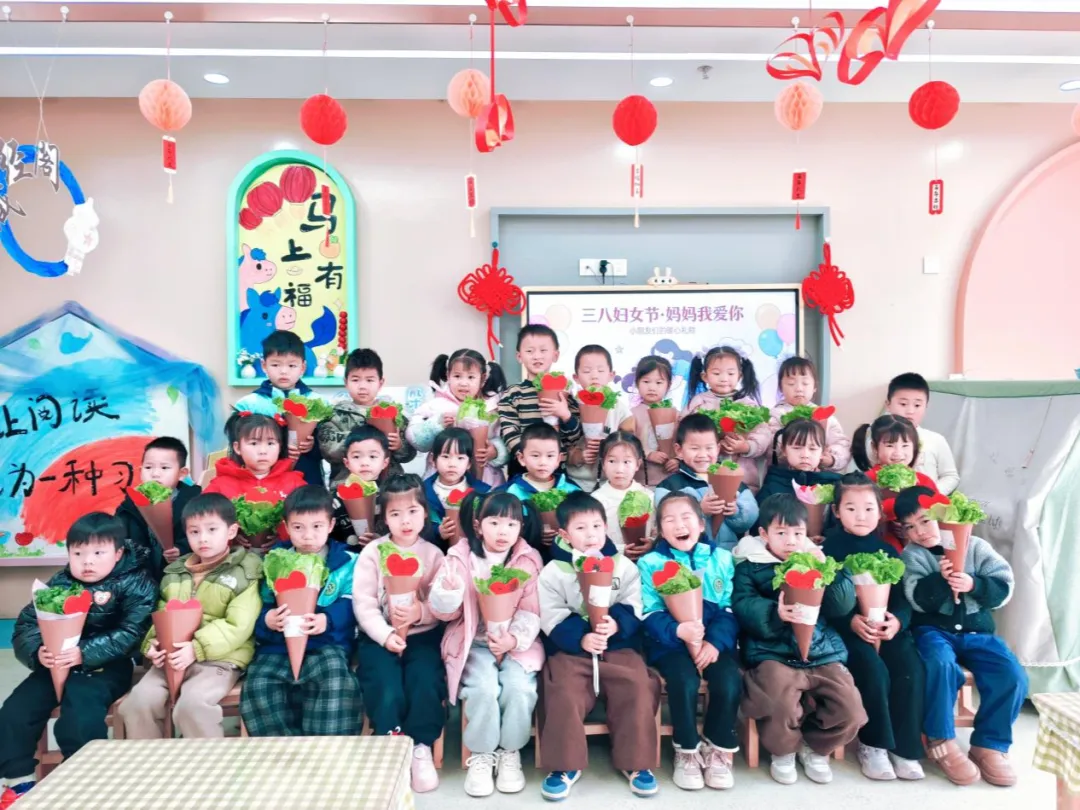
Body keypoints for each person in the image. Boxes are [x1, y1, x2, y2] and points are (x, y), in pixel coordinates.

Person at [0, 514, 155, 804]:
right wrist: (38, 652)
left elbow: (133, 631)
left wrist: (85, 652)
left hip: (106, 667)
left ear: (118, 553)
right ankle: (19, 782)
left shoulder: (137, 582)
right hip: (54, 664)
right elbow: (27, 624)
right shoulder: (60, 582)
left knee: (80, 718)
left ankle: (81, 782)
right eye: (78, 553)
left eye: (98, 553)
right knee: (14, 713)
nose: (87, 562)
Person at [732, 494, 867, 786]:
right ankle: (783, 751)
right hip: (772, 651)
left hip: (821, 650)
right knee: (776, 701)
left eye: (798, 533)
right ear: (764, 534)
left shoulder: (816, 560)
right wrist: (775, 613)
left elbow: (841, 606)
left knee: (851, 707)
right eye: (781, 533)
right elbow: (742, 604)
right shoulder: (749, 565)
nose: (791, 541)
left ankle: (815, 747)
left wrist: (828, 571)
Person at [897, 486, 1026, 788]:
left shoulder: (976, 546)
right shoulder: (913, 555)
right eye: (910, 527)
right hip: (933, 631)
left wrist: (974, 584)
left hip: (978, 632)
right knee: (940, 666)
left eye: (925, 521)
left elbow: (1003, 587)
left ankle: (989, 744)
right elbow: (917, 600)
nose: (919, 532)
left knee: (1011, 674)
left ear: (943, 516)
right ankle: (941, 739)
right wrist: (941, 580)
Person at [536, 492, 659, 801]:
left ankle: (636, 762)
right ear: (564, 534)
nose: (590, 534)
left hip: (617, 646)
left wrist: (616, 624)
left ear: (606, 526)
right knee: (562, 689)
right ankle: (564, 765)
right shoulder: (554, 570)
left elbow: (634, 601)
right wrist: (581, 637)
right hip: (572, 650)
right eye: (580, 528)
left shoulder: (622, 565)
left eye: (596, 526)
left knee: (637, 684)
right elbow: (550, 613)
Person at [118, 493, 263, 739]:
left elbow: (239, 624)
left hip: (219, 660)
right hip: (171, 658)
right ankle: (148, 762)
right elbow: (162, 615)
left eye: (212, 529)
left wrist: (196, 649)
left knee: (192, 707)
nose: (202, 538)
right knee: (137, 703)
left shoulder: (245, 570)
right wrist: (153, 644)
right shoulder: (175, 572)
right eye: (194, 532)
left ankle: (208, 764)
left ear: (231, 531)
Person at [428, 492, 544, 797]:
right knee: (483, 688)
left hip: (517, 643)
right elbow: (444, 613)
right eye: (494, 523)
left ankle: (510, 752)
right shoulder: (459, 557)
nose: (503, 531)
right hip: (472, 642)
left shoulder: (528, 559)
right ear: (478, 526)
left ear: (521, 527)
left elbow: (532, 609)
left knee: (520, 688)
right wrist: (448, 593)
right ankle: (481, 753)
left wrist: (512, 639)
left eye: (511, 524)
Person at [821, 474, 926, 781]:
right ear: (837, 511)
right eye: (851, 508)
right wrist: (850, 621)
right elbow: (823, 601)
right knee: (872, 669)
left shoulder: (889, 551)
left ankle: (905, 748)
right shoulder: (828, 551)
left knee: (910, 667)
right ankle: (873, 744)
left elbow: (902, 599)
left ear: (880, 512)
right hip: (845, 632)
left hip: (885, 628)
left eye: (869, 508)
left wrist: (897, 621)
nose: (861, 516)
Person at [637, 492, 742, 792]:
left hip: (712, 642)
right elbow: (649, 611)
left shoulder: (722, 559)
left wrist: (714, 643)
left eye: (686, 518)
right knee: (683, 681)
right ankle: (686, 750)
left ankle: (718, 745)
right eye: (669, 520)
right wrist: (678, 631)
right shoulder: (650, 563)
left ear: (700, 523)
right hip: (669, 644)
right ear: (659, 530)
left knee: (729, 679)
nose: (679, 525)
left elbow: (728, 608)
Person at [240, 487, 363, 739]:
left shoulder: (346, 562)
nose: (308, 536)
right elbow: (262, 602)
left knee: (334, 680)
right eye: (298, 527)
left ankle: (325, 749)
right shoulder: (274, 560)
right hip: (278, 647)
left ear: (331, 525)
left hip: (326, 644)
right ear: (286, 527)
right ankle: (282, 752)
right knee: (259, 684)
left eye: (317, 526)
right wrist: (267, 620)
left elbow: (353, 602)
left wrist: (328, 620)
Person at [353, 474, 448, 793]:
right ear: (384, 517)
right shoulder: (373, 552)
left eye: (412, 511)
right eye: (395, 513)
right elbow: (364, 603)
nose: (405, 521)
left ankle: (420, 746)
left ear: (425, 513)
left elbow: (442, 605)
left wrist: (421, 612)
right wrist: (383, 634)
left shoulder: (434, 555)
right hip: (380, 635)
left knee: (424, 680)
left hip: (423, 635)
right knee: (384, 681)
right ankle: (391, 740)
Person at [234, 330, 325, 488]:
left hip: (308, 479)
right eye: (275, 365)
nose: (284, 371)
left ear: (302, 367)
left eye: (292, 365)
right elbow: (239, 446)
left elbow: (329, 445)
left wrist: (313, 445)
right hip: (264, 481)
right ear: (264, 365)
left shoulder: (317, 402)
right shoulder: (249, 404)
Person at [654, 414, 758, 553]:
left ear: (718, 448)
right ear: (679, 450)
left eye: (709, 448)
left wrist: (735, 512)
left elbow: (749, 519)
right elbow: (666, 521)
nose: (702, 455)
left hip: (727, 557)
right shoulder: (668, 487)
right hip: (686, 556)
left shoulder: (734, 482)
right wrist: (698, 510)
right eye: (694, 448)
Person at [406, 348, 509, 488]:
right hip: (442, 480)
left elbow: (507, 439)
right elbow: (415, 439)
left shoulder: (494, 407)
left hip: (487, 480)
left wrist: (496, 451)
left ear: (483, 378)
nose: (463, 383)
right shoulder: (435, 405)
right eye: (457, 376)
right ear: (448, 375)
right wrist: (436, 424)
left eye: (471, 377)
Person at [203, 412, 306, 546]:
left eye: (270, 443)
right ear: (237, 448)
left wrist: (283, 536)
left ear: (280, 446)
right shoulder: (220, 485)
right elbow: (203, 518)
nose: (263, 451)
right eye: (254, 443)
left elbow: (309, 516)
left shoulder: (294, 482)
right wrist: (230, 535)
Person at [318, 348, 416, 485]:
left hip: (389, 486)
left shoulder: (393, 414)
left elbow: (409, 455)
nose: (362, 386)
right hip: (347, 485)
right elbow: (329, 451)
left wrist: (399, 446)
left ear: (380, 383)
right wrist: (360, 439)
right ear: (346, 382)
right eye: (355, 380)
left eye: (370, 380)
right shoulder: (336, 415)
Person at [497, 325, 582, 479]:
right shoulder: (513, 394)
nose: (537, 356)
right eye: (530, 351)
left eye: (543, 350)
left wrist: (565, 415)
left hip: (557, 470)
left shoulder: (564, 393)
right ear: (519, 356)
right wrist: (527, 458)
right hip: (521, 470)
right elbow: (508, 431)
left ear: (555, 355)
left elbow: (575, 438)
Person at [684, 345, 770, 492]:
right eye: (716, 373)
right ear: (705, 376)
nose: (724, 379)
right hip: (703, 476)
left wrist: (746, 447)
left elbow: (763, 433)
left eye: (730, 373)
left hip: (744, 478)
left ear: (740, 376)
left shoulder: (748, 404)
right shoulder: (698, 403)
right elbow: (684, 432)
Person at [114, 436, 201, 579]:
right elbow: (118, 535)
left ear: (182, 474)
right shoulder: (129, 504)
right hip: (140, 577)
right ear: (140, 471)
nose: (155, 474)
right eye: (148, 467)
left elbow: (202, 534)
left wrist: (181, 549)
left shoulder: (195, 501)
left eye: (164, 468)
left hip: (180, 576)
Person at [852, 414, 939, 553]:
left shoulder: (924, 480)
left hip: (920, 545)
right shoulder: (865, 481)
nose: (898, 453)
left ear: (915, 447)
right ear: (875, 447)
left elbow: (939, 514)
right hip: (876, 544)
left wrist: (912, 526)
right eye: (890, 445)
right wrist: (891, 515)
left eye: (905, 445)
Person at [501, 423, 582, 560]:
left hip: (567, 559)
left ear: (558, 459)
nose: (543, 462)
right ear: (522, 458)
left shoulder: (572, 490)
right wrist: (535, 533)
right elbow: (503, 528)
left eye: (550, 456)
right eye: (535, 455)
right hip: (526, 558)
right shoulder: (511, 493)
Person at [756, 418, 843, 537]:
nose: (805, 455)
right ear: (784, 450)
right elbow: (760, 525)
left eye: (812, 449)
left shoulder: (835, 484)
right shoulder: (774, 483)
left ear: (823, 452)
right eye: (797, 448)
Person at [566, 345, 634, 493]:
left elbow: (630, 438)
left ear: (611, 375)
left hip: (609, 481)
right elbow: (563, 447)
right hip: (575, 481)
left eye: (601, 370)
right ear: (576, 377)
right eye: (587, 371)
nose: (594, 376)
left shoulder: (618, 407)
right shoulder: (571, 405)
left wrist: (611, 444)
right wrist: (579, 456)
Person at [766, 357, 851, 473]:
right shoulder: (775, 415)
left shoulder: (824, 416)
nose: (799, 389)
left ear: (814, 387)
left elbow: (841, 443)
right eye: (791, 383)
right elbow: (770, 447)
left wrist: (832, 459)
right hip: (783, 475)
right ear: (780, 387)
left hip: (817, 477)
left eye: (805, 383)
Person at [881, 373, 960, 494]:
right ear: (888, 405)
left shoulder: (936, 440)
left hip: (927, 502)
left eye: (917, 405)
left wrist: (931, 494)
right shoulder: (878, 438)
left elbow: (950, 476)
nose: (910, 411)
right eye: (903, 404)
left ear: (926, 406)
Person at [421, 428, 491, 552]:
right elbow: (417, 527)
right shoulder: (422, 493)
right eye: (445, 456)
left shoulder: (482, 493)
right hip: (435, 554)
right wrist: (437, 531)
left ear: (469, 463)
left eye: (460, 458)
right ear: (433, 459)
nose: (452, 464)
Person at [589, 432, 655, 558]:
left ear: (637, 464)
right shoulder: (595, 500)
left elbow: (657, 530)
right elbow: (592, 537)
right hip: (610, 562)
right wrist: (619, 550)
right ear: (603, 464)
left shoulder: (649, 496)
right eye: (612, 461)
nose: (619, 469)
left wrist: (652, 542)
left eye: (626, 462)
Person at [328, 425, 392, 547]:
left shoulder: (390, 495)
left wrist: (380, 541)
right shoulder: (337, 498)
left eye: (372, 456)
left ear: (385, 462)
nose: (364, 463)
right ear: (347, 463)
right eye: (356, 457)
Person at [628, 355, 680, 486]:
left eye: (659, 383)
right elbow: (627, 445)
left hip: (671, 481)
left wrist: (678, 460)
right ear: (637, 383)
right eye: (646, 382)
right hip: (641, 481)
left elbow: (685, 442)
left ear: (669, 385)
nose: (652, 387)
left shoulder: (676, 415)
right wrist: (647, 454)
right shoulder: (631, 414)